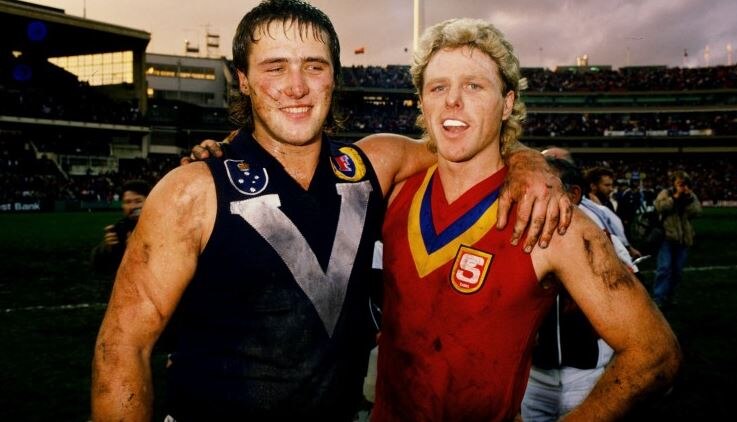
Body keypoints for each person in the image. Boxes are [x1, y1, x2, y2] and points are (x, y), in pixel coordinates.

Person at [91, 1, 571, 420]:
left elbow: (471, 147)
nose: (296, 86)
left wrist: (529, 162)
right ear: (242, 80)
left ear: (334, 77)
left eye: (314, 66)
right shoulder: (190, 191)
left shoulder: (372, 164)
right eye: (275, 67)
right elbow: (122, 348)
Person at [372, 18, 679, 421]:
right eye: (438, 87)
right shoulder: (395, 185)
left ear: (508, 103)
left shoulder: (549, 219)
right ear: (423, 103)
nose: (452, 101)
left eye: (474, 86)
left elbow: (654, 353)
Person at [522, 155, 640, 421]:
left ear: (573, 194)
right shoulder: (519, 236)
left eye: (543, 186)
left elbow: (633, 310)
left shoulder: (605, 242)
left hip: (586, 374)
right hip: (534, 376)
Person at [652, 170, 702, 308]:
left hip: (684, 238)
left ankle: (671, 295)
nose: (682, 186)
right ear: (673, 183)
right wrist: (675, 197)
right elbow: (659, 207)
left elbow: (697, 212)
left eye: (684, 183)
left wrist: (688, 199)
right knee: (664, 268)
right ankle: (659, 297)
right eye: (679, 183)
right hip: (667, 236)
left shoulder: (691, 196)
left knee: (677, 270)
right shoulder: (666, 194)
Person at [90, 179, 151, 274]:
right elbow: (100, 268)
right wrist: (106, 248)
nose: (132, 206)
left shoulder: (161, 227)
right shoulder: (120, 229)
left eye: (138, 201)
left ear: (149, 201)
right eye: (128, 202)